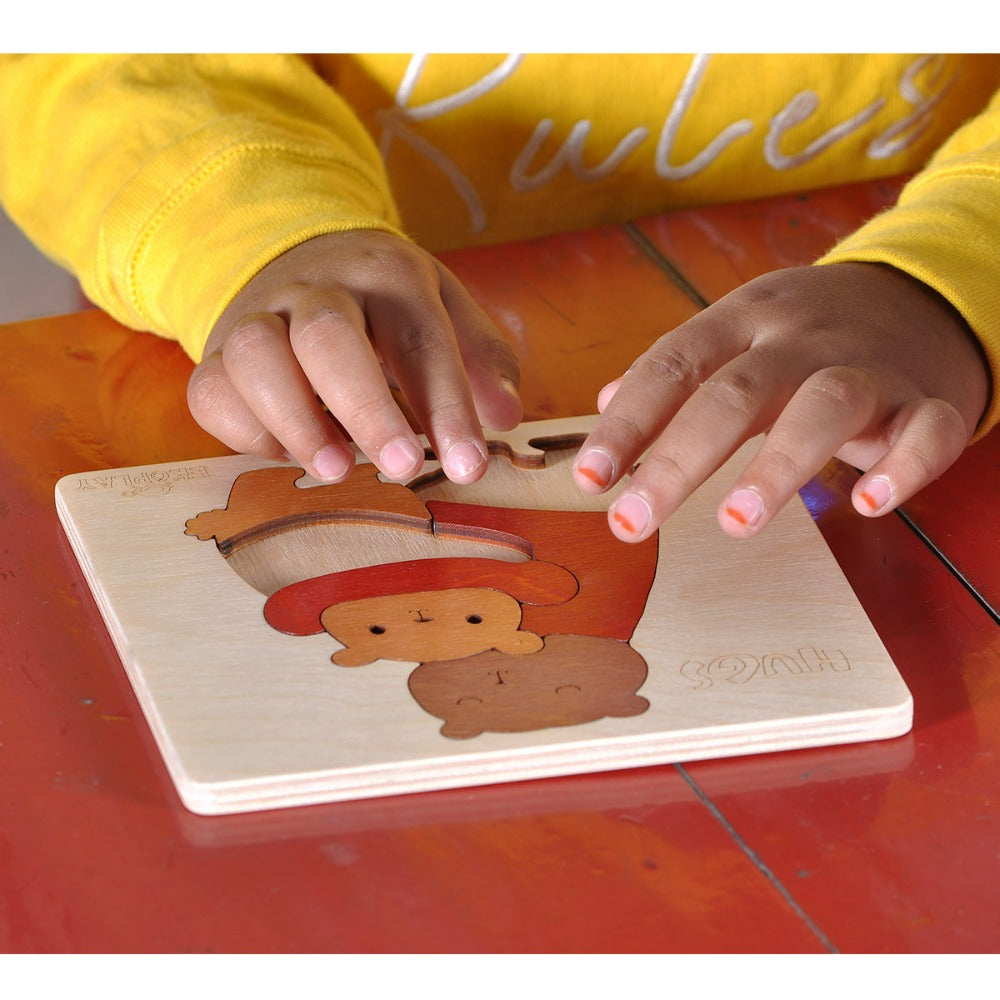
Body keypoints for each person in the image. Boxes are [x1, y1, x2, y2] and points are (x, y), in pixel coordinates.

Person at [1, 54, 998, 541]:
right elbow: (85, 59)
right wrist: (255, 233)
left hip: (891, 374)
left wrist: (946, 278)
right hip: (275, 316)